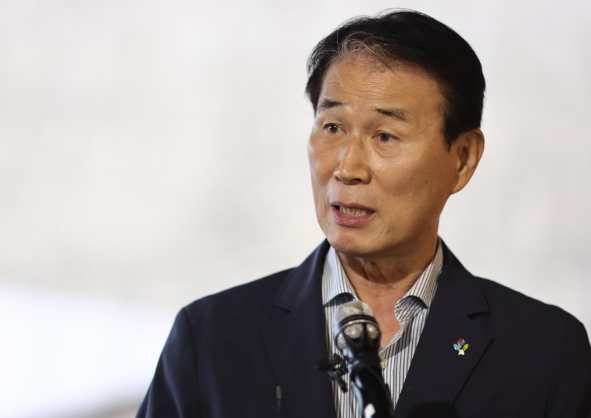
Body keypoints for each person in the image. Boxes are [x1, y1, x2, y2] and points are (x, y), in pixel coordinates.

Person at [136, 10, 591, 418]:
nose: (347, 167)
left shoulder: (544, 351)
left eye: (385, 136)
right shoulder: (212, 338)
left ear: (463, 158)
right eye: (333, 127)